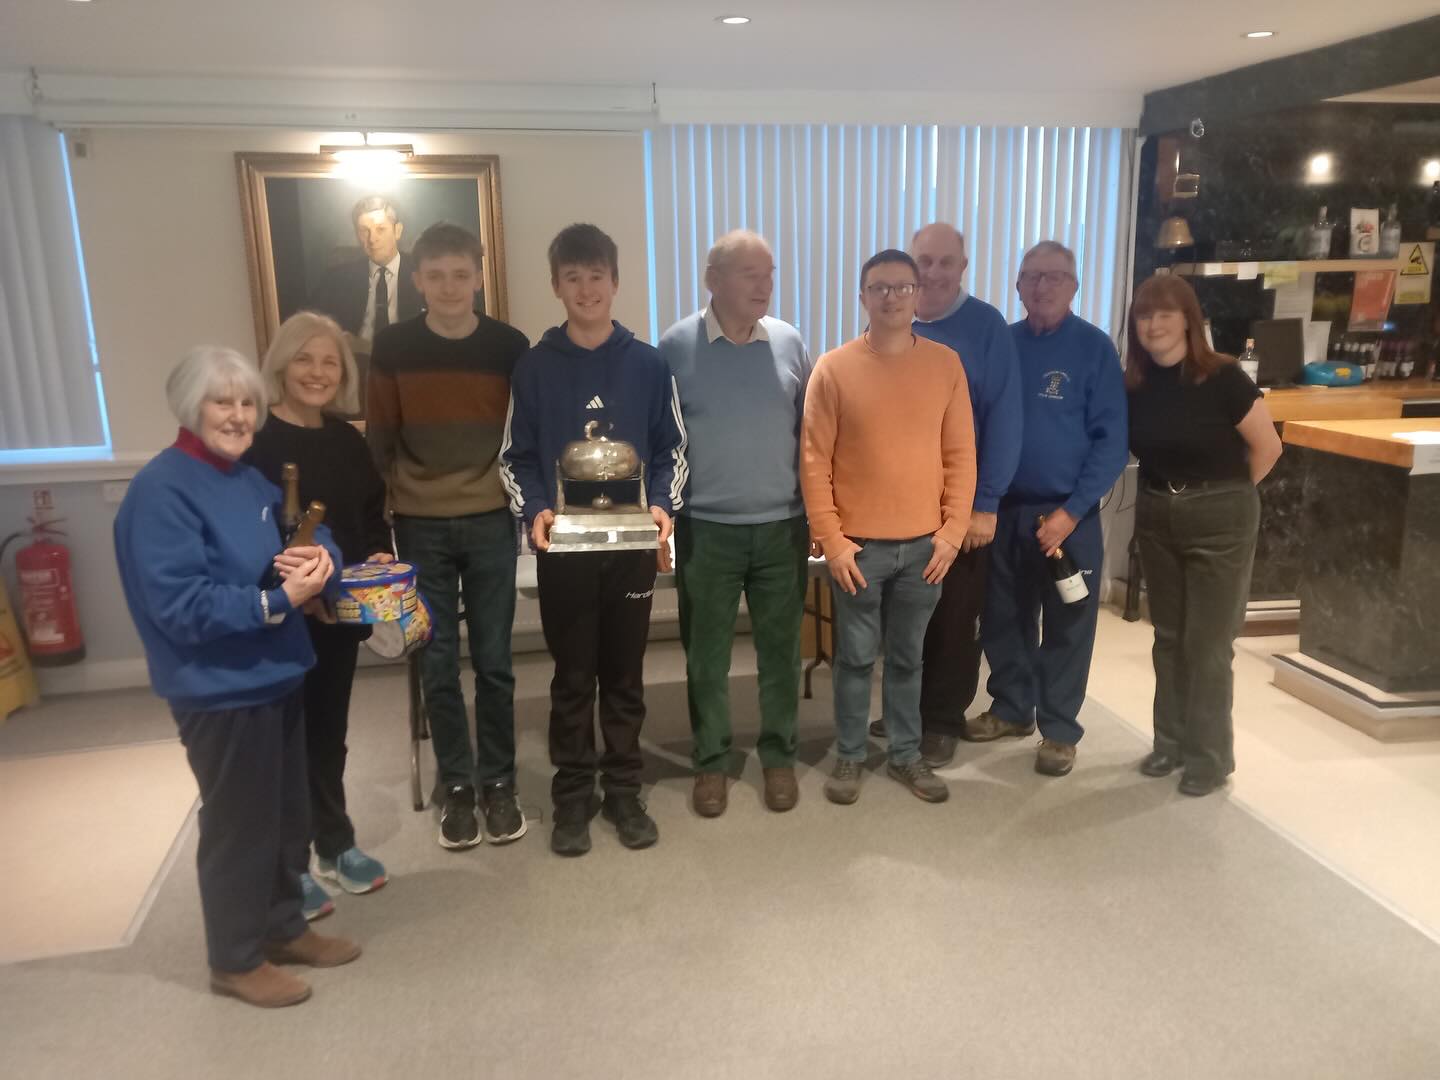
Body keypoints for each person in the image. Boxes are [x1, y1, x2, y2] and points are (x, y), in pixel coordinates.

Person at [114, 346, 356, 1009]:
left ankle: (282, 928)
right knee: (239, 824)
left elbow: (314, 533)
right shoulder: (161, 491)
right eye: (224, 401)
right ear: (192, 408)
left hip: (277, 673)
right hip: (218, 689)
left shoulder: (246, 479)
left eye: (247, 402)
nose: (239, 414)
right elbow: (181, 607)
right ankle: (236, 958)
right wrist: (279, 601)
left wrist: (322, 563)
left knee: (286, 815)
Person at [501, 223, 687, 856]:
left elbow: (671, 451)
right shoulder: (534, 366)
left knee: (626, 673)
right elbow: (515, 456)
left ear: (616, 281)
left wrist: (663, 506)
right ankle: (573, 795)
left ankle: (625, 791)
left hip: (631, 550)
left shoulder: (648, 363)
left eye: (597, 276)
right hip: (567, 554)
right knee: (574, 676)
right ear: (556, 285)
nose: (587, 289)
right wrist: (534, 511)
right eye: (573, 277)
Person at [367, 223, 530, 850]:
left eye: (461, 274)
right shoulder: (393, 345)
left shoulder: (508, 346)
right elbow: (380, 434)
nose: (449, 286)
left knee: (494, 663)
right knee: (435, 662)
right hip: (419, 523)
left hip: (491, 517)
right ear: (417, 281)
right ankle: (456, 786)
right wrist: (393, 501)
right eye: (435, 275)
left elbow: (523, 431)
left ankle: (500, 783)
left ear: (480, 277)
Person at [801, 249, 976, 806]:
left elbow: (961, 456)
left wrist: (950, 534)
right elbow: (813, 460)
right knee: (854, 658)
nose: (893, 296)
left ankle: (905, 754)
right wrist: (831, 540)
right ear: (863, 298)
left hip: (925, 547)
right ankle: (850, 755)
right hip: (858, 550)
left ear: (917, 294)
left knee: (908, 658)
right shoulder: (833, 368)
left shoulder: (946, 365)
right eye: (880, 287)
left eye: (903, 287)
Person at [659, 230, 813, 818]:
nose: (765, 285)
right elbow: (661, 440)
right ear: (713, 279)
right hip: (708, 528)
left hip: (782, 526)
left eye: (770, 272)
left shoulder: (791, 343)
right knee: (706, 657)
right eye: (751, 273)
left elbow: (811, 436)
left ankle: (778, 758)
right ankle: (711, 763)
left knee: (780, 654)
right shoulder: (674, 346)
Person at [245, 311, 393, 918]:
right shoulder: (254, 441)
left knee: (329, 733)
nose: (317, 372)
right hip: (280, 616)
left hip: (340, 613)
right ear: (281, 364)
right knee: (283, 740)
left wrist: (379, 554)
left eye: (329, 361)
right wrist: (290, 593)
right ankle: (288, 863)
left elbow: (368, 514)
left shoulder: (347, 439)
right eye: (305, 358)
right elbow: (247, 536)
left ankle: (334, 844)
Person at [867, 223, 1023, 768]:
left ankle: (941, 719)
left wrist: (985, 504)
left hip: (960, 510)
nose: (932, 273)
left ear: (963, 267)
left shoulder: (985, 327)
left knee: (954, 619)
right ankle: (906, 710)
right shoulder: (892, 326)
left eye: (944, 262)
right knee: (903, 620)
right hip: (895, 510)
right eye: (923, 262)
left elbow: (1005, 419)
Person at [973, 241, 1128, 777]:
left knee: (1069, 623)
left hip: (1068, 518)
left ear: (1075, 285)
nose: (1042, 287)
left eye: (1055, 277)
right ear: (1016, 286)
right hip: (1004, 510)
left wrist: (1072, 511)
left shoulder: (1094, 349)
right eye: (1032, 277)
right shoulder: (1003, 344)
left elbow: (1111, 443)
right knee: (1002, 618)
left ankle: (1059, 729)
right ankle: (1013, 709)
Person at [1126, 275, 1282, 796]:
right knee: (1168, 638)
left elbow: (1267, 449)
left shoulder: (1225, 377)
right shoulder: (1136, 383)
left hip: (1220, 517)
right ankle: (1169, 743)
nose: (1153, 325)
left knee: (1209, 644)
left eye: (1165, 314)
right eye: (1145, 316)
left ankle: (1210, 757)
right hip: (1156, 513)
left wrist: (1224, 498)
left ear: (1189, 319)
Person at [307, 196, 423, 343]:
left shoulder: (422, 274)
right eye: (364, 231)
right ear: (356, 234)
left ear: (397, 231)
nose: (372, 239)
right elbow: (308, 323)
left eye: (380, 229)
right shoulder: (337, 278)